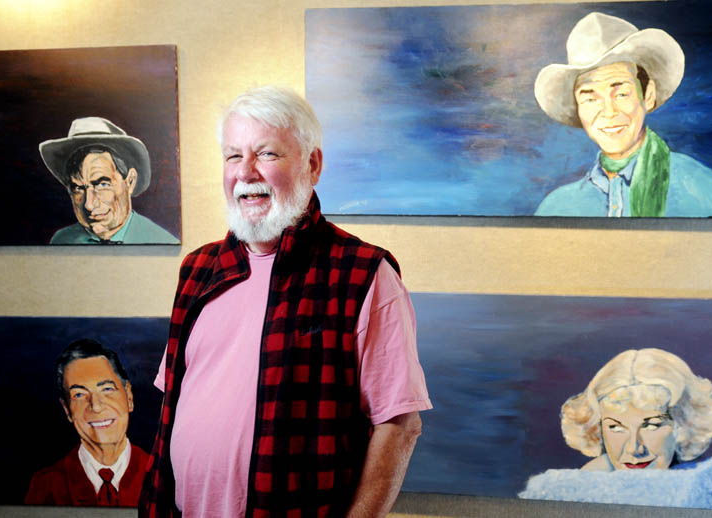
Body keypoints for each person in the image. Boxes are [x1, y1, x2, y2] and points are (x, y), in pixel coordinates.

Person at [139, 86, 431, 518]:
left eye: (267, 154)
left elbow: (399, 427)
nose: (246, 172)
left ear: (312, 164)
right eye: (233, 156)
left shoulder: (364, 274)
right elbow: (172, 407)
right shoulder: (198, 269)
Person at [533, 12, 712, 217]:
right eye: (590, 99)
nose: (609, 112)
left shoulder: (702, 190)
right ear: (578, 107)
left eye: (621, 93)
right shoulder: (557, 207)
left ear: (648, 95)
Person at [519, 348, 712, 510]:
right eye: (616, 427)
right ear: (597, 429)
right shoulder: (562, 492)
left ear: (683, 425)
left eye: (651, 425)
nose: (633, 448)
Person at [25, 339, 149, 506]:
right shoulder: (47, 485)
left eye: (107, 389)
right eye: (79, 395)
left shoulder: (161, 476)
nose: (96, 406)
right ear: (67, 410)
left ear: (128, 397)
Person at [39, 116, 180, 244]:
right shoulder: (63, 240)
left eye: (102, 184)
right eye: (78, 188)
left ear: (130, 182)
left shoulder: (160, 241)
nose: (88, 204)